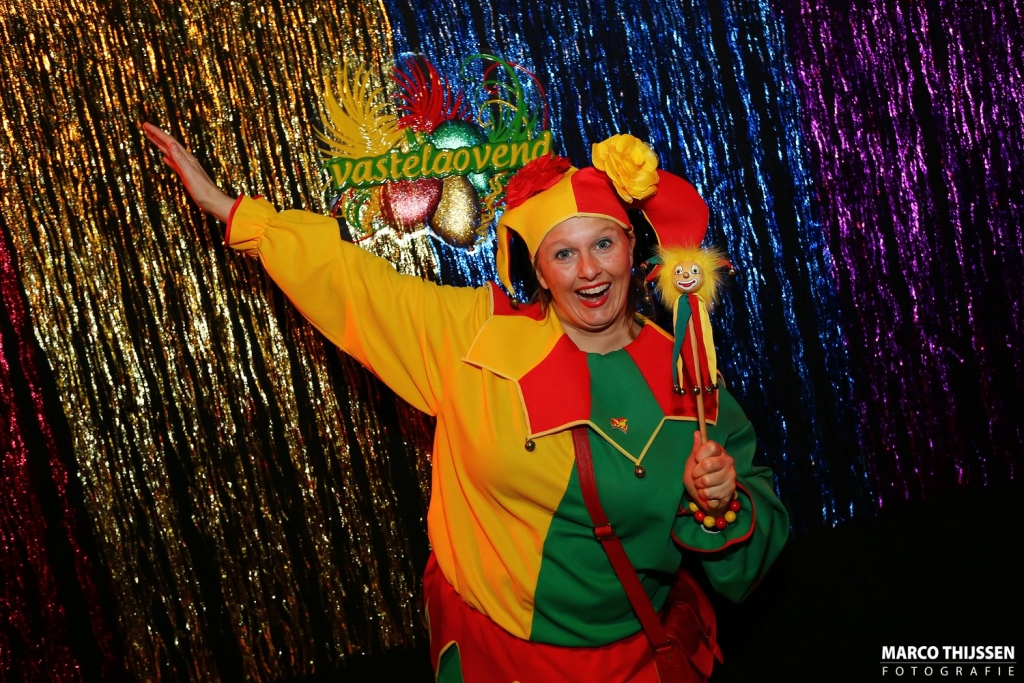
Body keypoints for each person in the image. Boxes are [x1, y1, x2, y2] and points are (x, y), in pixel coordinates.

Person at [144, 122, 788, 682]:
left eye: (603, 244)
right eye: (563, 253)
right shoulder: (474, 336)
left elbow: (758, 538)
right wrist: (237, 213)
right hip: (496, 657)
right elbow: (353, 284)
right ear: (539, 271)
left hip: (628, 663)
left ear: (630, 248)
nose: (589, 270)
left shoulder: (685, 372)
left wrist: (721, 505)